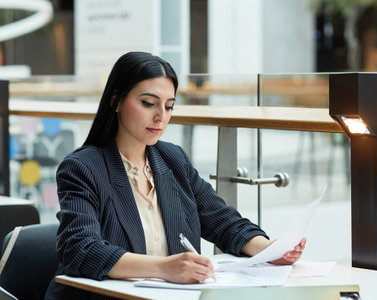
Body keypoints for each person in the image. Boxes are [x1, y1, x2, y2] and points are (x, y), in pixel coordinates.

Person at [45, 52, 306, 299]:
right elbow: (80, 249)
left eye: (169, 106)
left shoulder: (173, 159)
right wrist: (163, 268)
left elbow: (223, 221)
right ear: (115, 101)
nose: (161, 117)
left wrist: (271, 250)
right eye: (148, 103)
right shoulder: (83, 167)